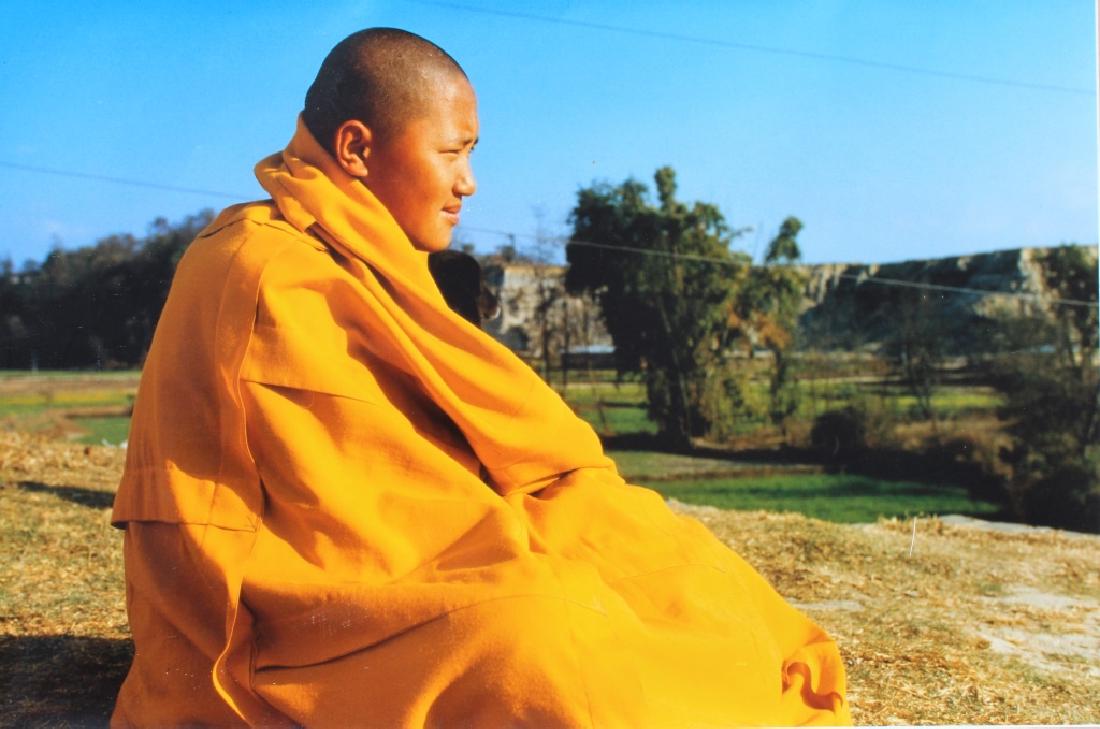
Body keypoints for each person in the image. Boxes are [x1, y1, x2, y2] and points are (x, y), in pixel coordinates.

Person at [111, 28, 851, 727]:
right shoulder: (259, 269)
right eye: (451, 153)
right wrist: (502, 550)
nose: (468, 182)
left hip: (442, 538)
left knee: (671, 560)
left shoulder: (368, 254)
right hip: (295, 612)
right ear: (357, 148)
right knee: (548, 649)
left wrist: (529, 526)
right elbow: (337, 521)